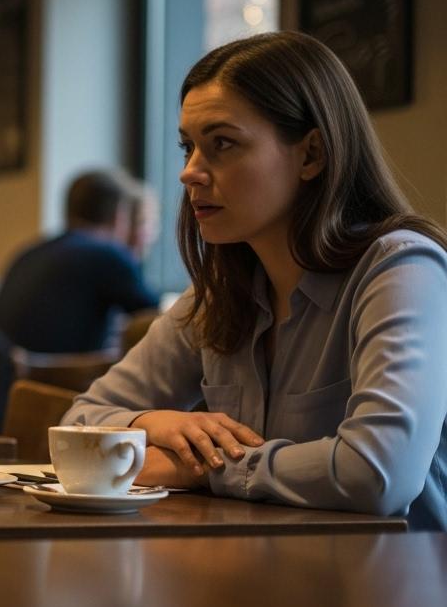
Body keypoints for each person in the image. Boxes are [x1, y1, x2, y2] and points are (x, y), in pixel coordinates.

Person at [64, 31, 447, 531]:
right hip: (263, 576)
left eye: (222, 144)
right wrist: (147, 423)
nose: (189, 173)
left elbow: (378, 474)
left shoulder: (402, 269)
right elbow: (79, 421)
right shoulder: (219, 293)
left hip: (393, 590)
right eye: (188, 148)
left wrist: (205, 468)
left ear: (312, 154)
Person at [0, 169, 159, 353]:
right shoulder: (107, 254)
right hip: (52, 378)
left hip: (4, 377)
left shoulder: (28, 253)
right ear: (119, 215)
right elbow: (157, 317)